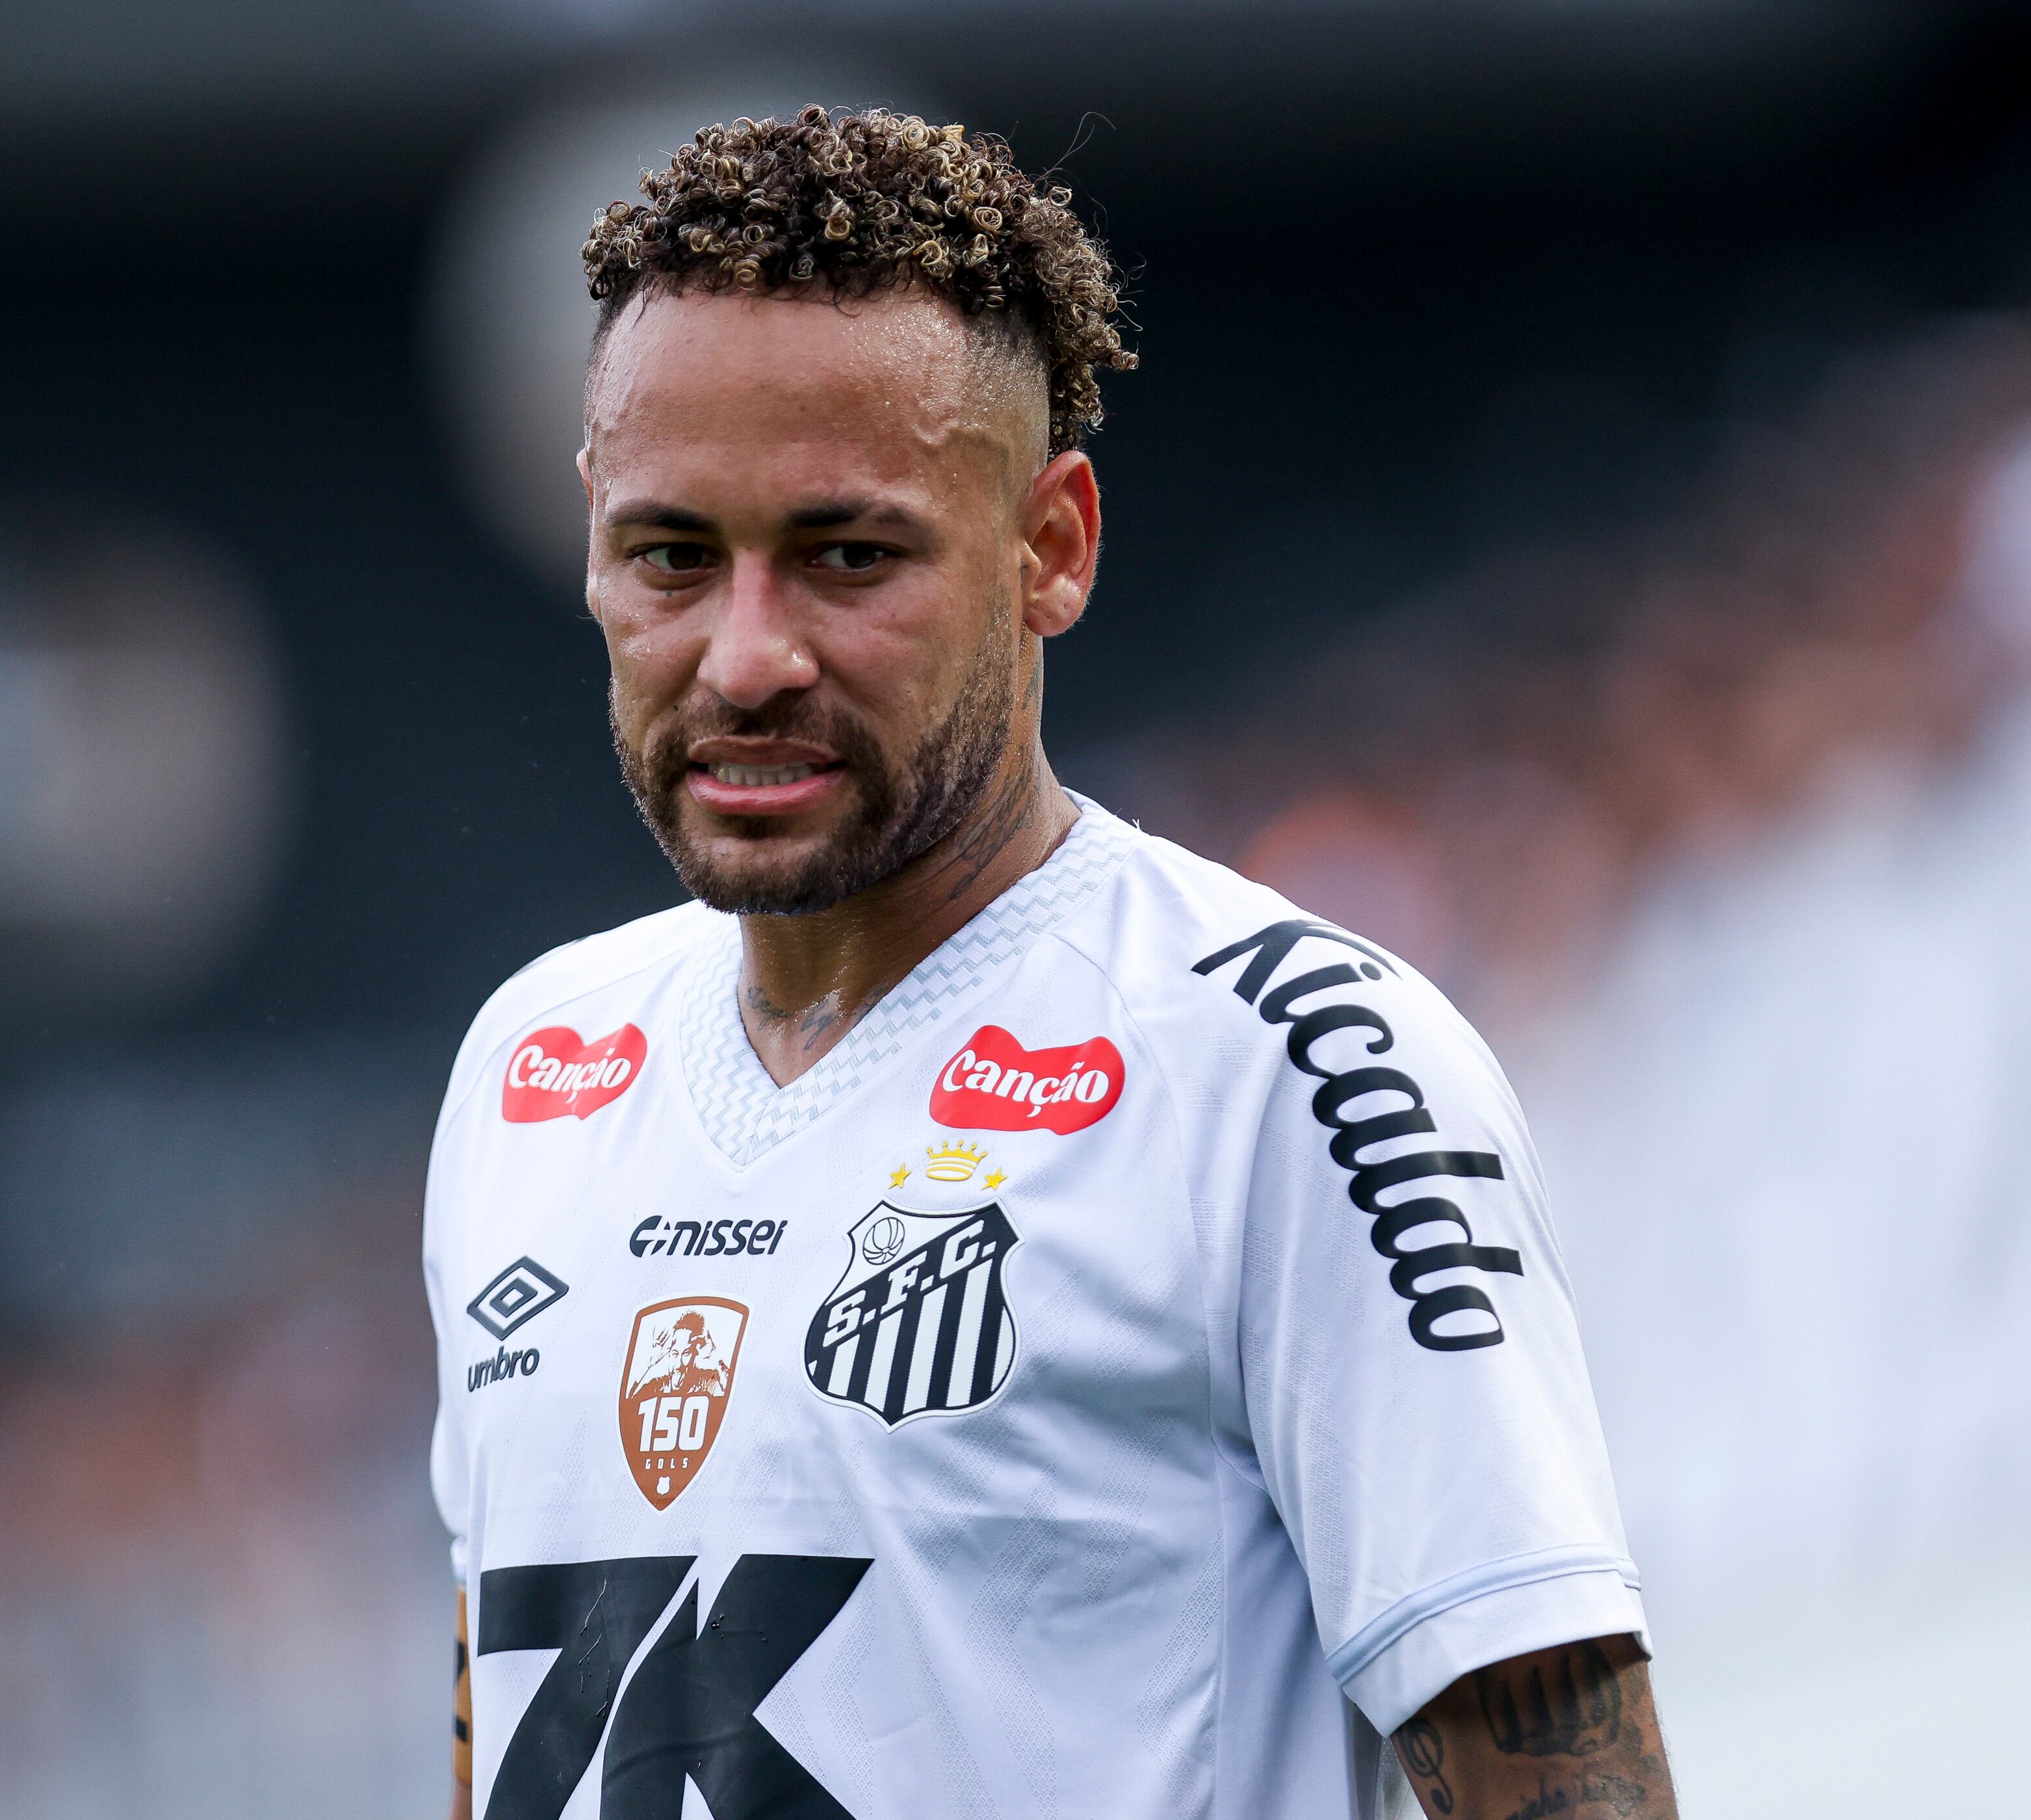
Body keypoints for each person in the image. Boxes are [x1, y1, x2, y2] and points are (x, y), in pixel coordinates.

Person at [422, 106, 1675, 1819]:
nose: (747, 655)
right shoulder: (531, 1065)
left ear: (1053, 547)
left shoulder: (1292, 1066)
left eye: (849, 556)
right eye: (673, 557)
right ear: (591, 541)